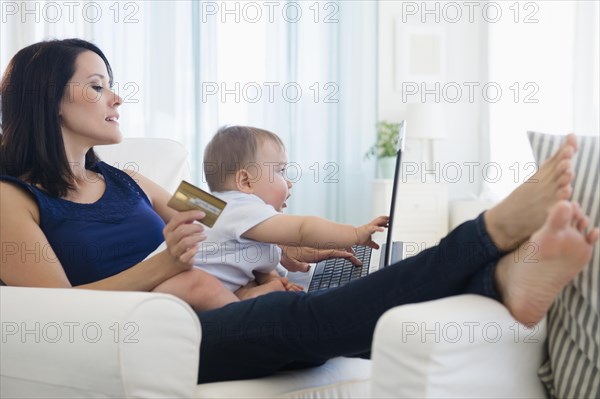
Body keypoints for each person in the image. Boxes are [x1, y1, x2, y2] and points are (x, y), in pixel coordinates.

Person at [0, 39, 597, 384]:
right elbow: (52, 313)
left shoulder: (131, 179)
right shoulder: (10, 199)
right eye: (99, 85)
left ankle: (499, 279)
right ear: (45, 98)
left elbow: (224, 215)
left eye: (113, 84)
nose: (117, 97)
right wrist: (160, 274)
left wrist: (282, 249)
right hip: (149, 337)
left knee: (327, 307)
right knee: (309, 317)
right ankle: (490, 240)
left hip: (204, 304)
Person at [155, 125, 388, 302]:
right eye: (281, 171)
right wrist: (355, 234)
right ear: (246, 181)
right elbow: (302, 229)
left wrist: (278, 281)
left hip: (183, 292)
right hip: (176, 295)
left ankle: (246, 295)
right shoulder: (239, 208)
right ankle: (244, 298)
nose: (289, 182)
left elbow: (263, 266)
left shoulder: (228, 214)